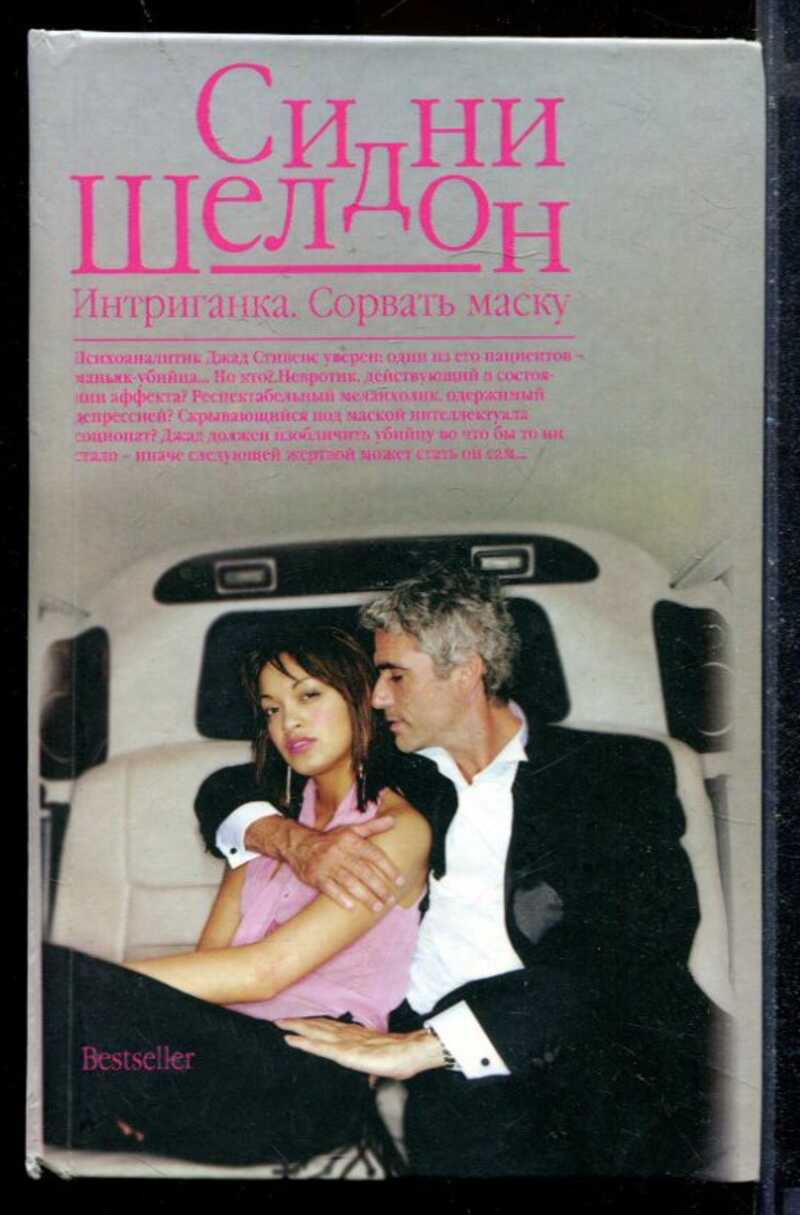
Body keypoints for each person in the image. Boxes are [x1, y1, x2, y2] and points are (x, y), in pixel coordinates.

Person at [199, 567, 716, 1177]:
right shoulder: (400, 770)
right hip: (450, 1069)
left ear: (467, 671)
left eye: (395, 675)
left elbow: (630, 950)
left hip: (586, 1047)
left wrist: (429, 1046)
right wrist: (295, 842)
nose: (377, 696)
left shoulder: (610, 772)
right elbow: (225, 788)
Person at [43, 627, 431, 1166]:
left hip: (305, 1075)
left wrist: (87, 987)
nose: (289, 722)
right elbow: (213, 962)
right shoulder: (267, 830)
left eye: (309, 695)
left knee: (46, 982)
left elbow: (263, 973)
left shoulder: (396, 829)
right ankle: (119, 1114)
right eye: (272, 709)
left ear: (363, 697)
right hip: (219, 1061)